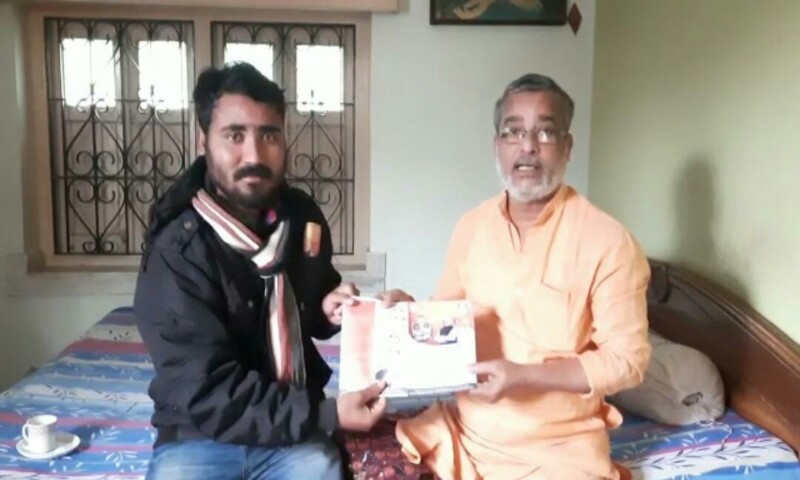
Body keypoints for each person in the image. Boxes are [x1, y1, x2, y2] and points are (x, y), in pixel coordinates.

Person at [133, 62, 387, 480]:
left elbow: (311, 303)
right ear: (203, 142)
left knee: (324, 470)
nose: (254, 155)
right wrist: (326, 414)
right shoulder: (177, 249)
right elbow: (207, 390)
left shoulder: (301, 217)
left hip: (292, 433)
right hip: (200, 436)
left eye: (268, 135)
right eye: (235, 136)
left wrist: (330, 306)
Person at [394, 73, 652, 479]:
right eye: (513, 132)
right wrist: (402, 312)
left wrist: (525, 376)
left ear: (567, 147)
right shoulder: (472, 226)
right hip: (465, 433)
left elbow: (627, 361)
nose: (528, 146)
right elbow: (446, 316)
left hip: (559, 450)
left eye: (545, 132)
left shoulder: (609, 241)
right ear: (496, 146)